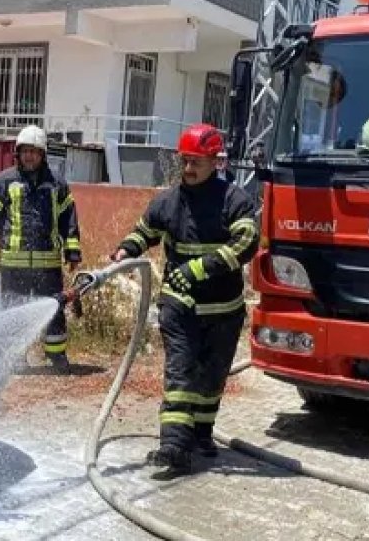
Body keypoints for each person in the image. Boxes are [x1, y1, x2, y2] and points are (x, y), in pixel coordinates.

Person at [110, 123, 259, 474]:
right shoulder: (167, 201)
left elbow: (246, 243)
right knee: (180, 375)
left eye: (197, 162)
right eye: (185, 161)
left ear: (215, 162)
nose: (189, 169)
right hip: (180, 306)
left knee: (211, 377)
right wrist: (124, 249)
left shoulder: (234, 201)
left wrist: (198, 269)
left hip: (224, 310)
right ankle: (174, 447)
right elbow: (145, 231)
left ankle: (201, 435)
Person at [0, 125, 82, 373]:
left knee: (55, 310)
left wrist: (73, 251)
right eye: (25, 151)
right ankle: (16, 358)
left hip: (48, 265)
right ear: (18, 153)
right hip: (14, 265)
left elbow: (70, 219)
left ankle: (56, 356)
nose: (29, 156)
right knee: (14, 311)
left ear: (43, 154)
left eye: (34, 152)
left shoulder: (57, 184)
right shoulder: (4, 182)